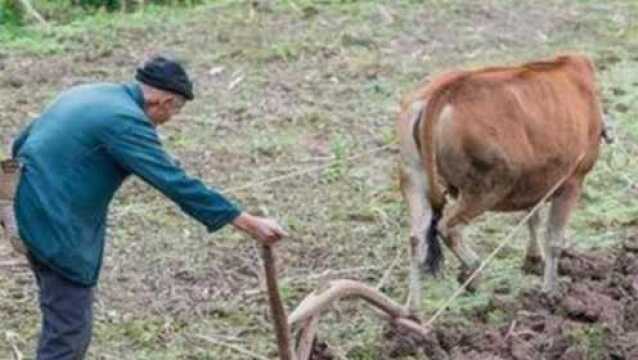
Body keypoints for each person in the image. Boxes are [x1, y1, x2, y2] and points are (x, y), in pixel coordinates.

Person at [10, 55, 288, 359]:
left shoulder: (91, 93)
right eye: (177, 110)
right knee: (69, 329)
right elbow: (174, 183)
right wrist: (247, 221)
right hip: (56, 224)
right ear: (165, 102)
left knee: (61, 314)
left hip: (25, 206)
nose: (171, 118)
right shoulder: (125, 121)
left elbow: (23, 142)